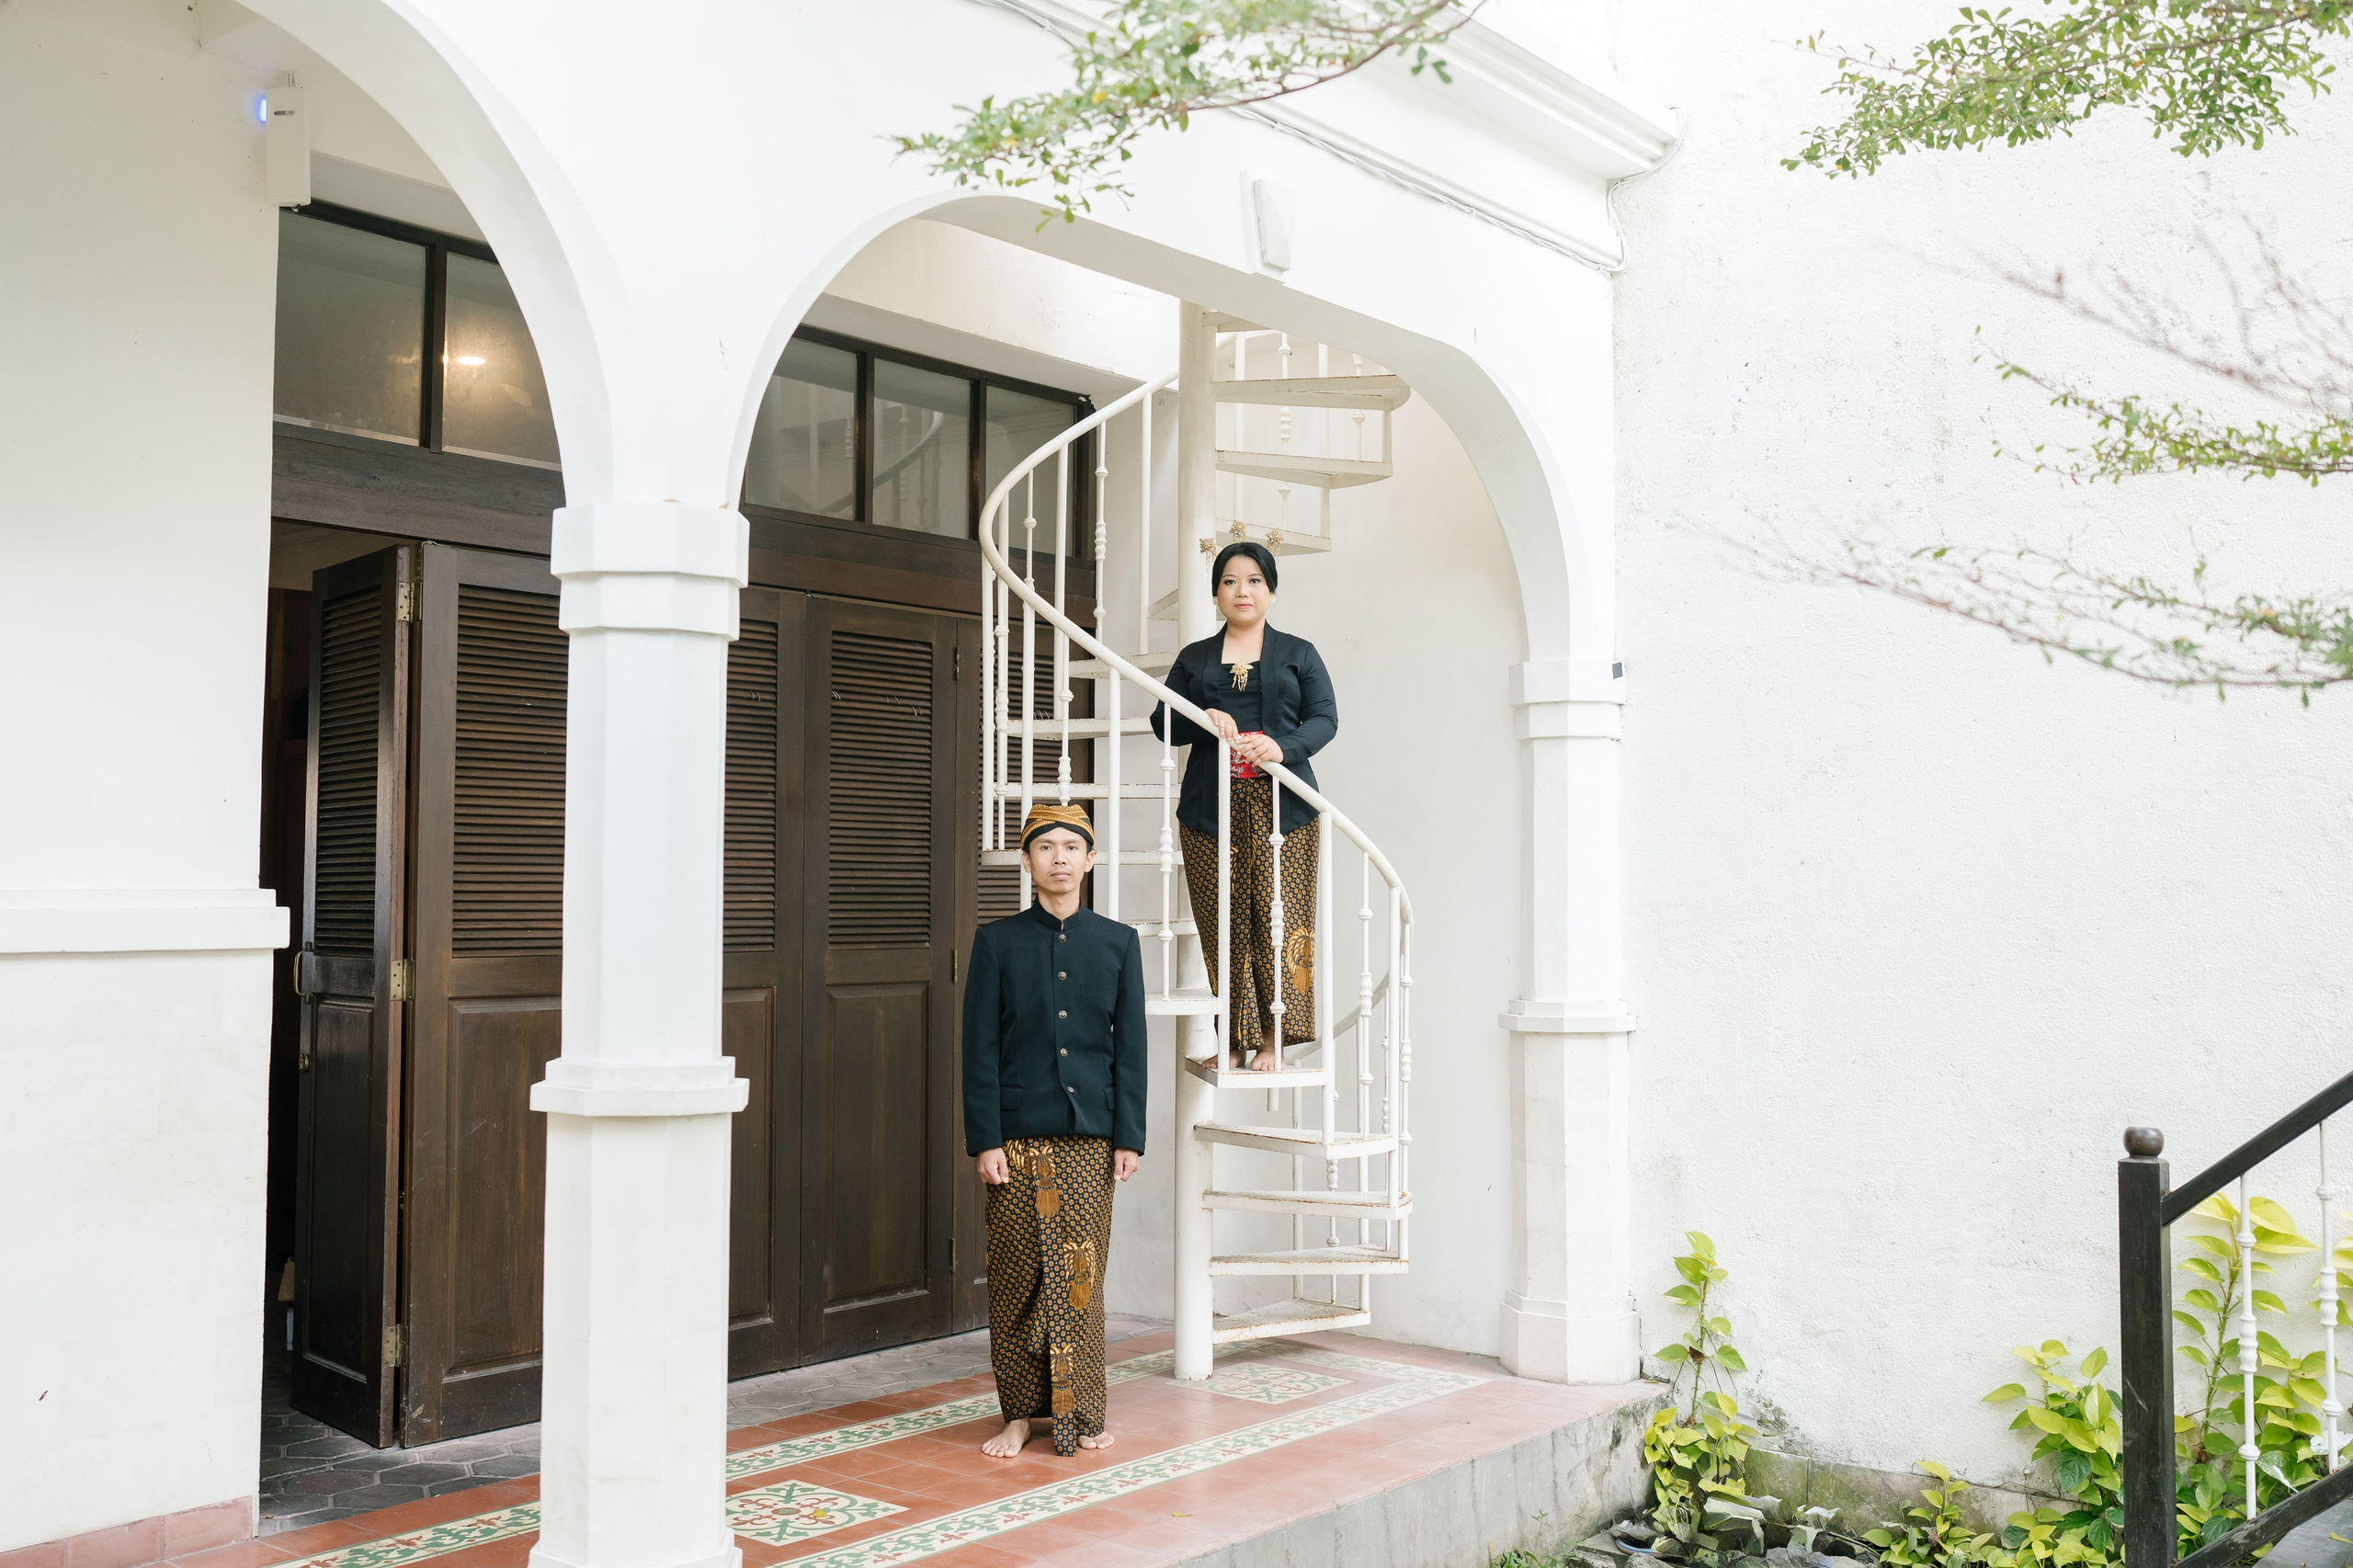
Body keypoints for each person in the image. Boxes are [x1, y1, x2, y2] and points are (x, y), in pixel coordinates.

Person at [961, 801, 1147, 1459]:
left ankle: (1083, 1416)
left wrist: (1129, 1136)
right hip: (1016, 1139)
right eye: (1047, 847)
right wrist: (985, 1140)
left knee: (1078, 1278)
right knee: (1015, 1280)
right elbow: (978, 1049)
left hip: (1092, 1138)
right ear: (1028, 860)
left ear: (1090, 860)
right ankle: (1018, 1415)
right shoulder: (998, 942)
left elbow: (1132, 1051)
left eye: (1072, 846)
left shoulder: (1119, 941)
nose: (1060, 857)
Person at [1151, 540, 1337, 1070]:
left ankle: (1276, 1042)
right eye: (1230, 580)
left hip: (1288, 810)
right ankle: (1231, 1043)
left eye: (1255, 580)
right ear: (1215, 592)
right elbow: (1162, 725)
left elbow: (1325, 718)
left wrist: (1283, 748)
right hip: (1210, 810)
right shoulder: (1194, 659)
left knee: (1282, 920)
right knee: (1223, 923)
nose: (1242, 591)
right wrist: (1203, 716)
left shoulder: (1300, 653)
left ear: (1271, 591)